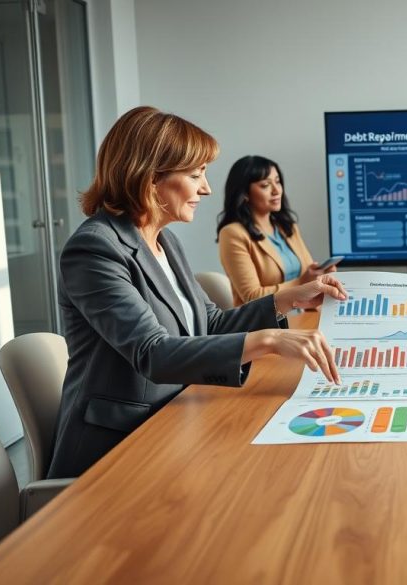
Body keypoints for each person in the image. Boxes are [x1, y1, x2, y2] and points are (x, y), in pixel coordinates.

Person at [48, 107, 347, 479]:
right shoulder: (95, 249)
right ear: (150, 177)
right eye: (195, 175)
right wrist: (269, 339)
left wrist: (289, 298)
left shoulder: (164, 240)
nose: (205, 189)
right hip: (119, 447)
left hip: (177, 417)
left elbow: (210, 322)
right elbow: (152, 352)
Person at [217, 156, 331, 306]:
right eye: (265, 185)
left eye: (277, 181)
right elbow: (252, 297)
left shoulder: (287, 227)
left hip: (303, 314)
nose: (277, 190)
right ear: (244, 193)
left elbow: (309, 275)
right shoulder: (232, 234)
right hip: (265, 325)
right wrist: (302, 282)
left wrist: (321, 274)